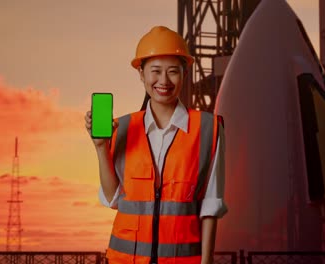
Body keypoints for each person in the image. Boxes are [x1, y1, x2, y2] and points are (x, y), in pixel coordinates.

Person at [84, 26, 227, 264]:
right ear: (141, 74)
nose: (163, 81)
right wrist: (100, 147)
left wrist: (207, 262)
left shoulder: (208, 129)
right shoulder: (122, 128)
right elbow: (113, 198)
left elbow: (211, 204)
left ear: (184, 73)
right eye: (155, 71)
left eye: (173, 71)